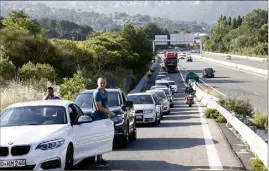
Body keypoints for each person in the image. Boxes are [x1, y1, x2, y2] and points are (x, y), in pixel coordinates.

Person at [92, 77, 115, 168]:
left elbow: (105, 105)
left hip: (104, 118)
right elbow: (99, 107)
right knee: (99, 140)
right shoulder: (97, 93)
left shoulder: (105, 92)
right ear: (97, 83)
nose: (102, 85)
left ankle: (100, 159)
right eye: (100, 83)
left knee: (102, 140)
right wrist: (110, 112)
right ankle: (98, 161)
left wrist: (108, 113)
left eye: (104, 83)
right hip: (98, 118)